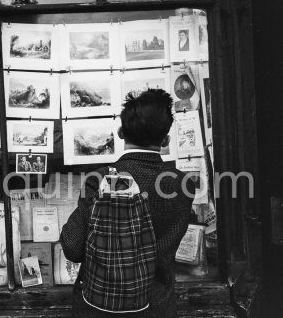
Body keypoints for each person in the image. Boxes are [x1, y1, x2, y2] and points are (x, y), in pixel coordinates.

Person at [60, 89, 194, 318]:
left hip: (98, 307)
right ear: (166, 140)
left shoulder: (100, 180)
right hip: (155, 307)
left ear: (121, 133)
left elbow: (72, 248)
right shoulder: (182, 185)